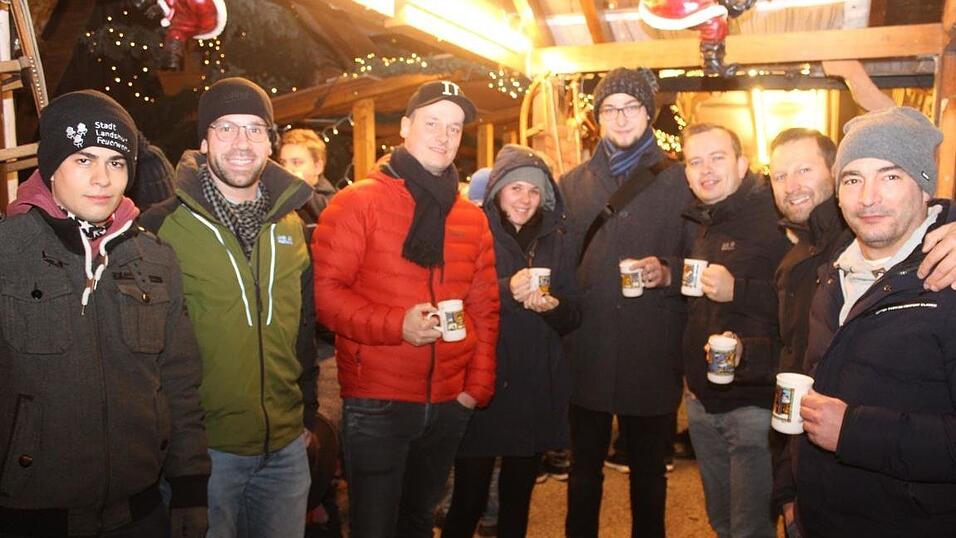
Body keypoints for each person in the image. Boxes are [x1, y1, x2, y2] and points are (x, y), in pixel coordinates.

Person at [0, 90, 209, 537]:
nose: (102, 178)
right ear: (51, 167)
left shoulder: (155, 258)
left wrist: (191, 487)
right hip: (30, 516)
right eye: (83, 160)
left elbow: (179, 382)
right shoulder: (7, 253)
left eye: (116, 162)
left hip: (140, 514)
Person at [311, 80, 500, 537]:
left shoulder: (470, 217)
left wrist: (475, 387)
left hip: (449, 401)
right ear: (405, 128)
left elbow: (485, 307)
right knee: (374, 526)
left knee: (417, 521)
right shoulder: (358, 202)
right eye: (432, 123)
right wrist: (398, 326)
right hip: (378, 400)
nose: (443, 136)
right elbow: (324, 295)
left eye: (454, 128)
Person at [142, 77, 318, 538]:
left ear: (270, 143)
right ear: (203, 140)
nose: (242, 142)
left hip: (286, 451)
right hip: (207, 456)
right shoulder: (162, 227)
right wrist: (180, 463)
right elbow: (149, 354)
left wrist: (308, 415)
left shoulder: (293, 225)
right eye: (226, 128)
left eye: (255, 129)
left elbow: (304, 329)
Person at [794, 106, 956, 535]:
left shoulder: (949, 279)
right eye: (852, 179)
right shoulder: (832, 273)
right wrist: (790, 495)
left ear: (924, 189)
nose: (867, 197)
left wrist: (853, 431)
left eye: (890, 176)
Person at [560, 66, 694, 538]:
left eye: (631, 107)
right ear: (597, 117)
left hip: (652, 349)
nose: (620, 117)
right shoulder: (572, 184)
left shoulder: (680, 181)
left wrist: (670, 271)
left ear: (649, 114)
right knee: (583, 472)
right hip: (588, 348)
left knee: (649, 475)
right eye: (609, 108)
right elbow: (559, 263)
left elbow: (700, 254)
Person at [644, 123, 790, 537]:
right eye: (695, 161)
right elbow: (702, 291)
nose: (705, 170)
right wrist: (668, 275)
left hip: (753, 405)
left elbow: (802, 307)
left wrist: (738, 291)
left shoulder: (776, 219)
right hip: (703, 401)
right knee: (723, 523)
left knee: (750, 529)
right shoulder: (705, 221)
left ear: (742, 164)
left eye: (717, 158)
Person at [443, 144, 581, 537]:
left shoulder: (558, 239)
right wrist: (506, 289)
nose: (525, 199)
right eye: (516, 188)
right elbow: (455, 300)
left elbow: (575, 313)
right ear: (498, 190)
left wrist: (552, 307)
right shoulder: (472, 232)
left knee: (517, 501)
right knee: (468, 497)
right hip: (484, 380)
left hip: (535, 384)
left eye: (534, 191)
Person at [279, 128, 337, 226]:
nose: (286, 170)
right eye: (283, 163)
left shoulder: (335, 201)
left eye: (296, 163)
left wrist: (300, 189)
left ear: (318, 167)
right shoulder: (277, 198)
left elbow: (330, 219)